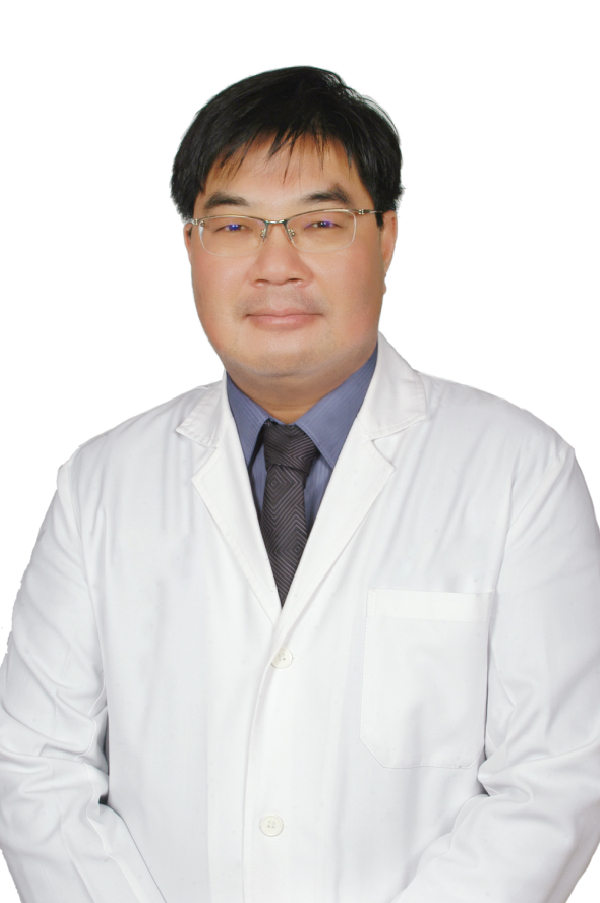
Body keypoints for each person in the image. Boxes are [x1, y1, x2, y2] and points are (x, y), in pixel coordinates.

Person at [1, 65, 600, 903]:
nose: (275, 264)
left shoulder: (519, 475)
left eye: (319, 222)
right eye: (234, 225)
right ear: (191, 248)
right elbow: (36, 769)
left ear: (386, 236)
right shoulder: (98, 487)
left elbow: (552, 782)